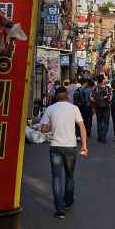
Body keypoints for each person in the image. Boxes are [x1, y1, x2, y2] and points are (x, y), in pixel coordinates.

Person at [40, 86, 88, 219]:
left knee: (56, 177)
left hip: (55, 147)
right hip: (70, 147)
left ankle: (59, 209)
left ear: (56, 96)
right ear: (67, 95)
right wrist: (84, 146)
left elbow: (43, 130)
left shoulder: (50, 109)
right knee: (69, 176)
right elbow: (82, 127)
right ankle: (68, 201)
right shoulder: (74, 108)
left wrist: (50, 126)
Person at [91, 75, 112, 143]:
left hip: (98, 107)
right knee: (106, 122)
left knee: (99, 122)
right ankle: (103, 136)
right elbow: (111, 97)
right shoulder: (108, 88)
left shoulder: (95, 88)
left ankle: (100, 136)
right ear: (103, 80)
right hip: (106, 107)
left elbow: (91, 97)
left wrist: (96, 101)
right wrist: (108, 101)